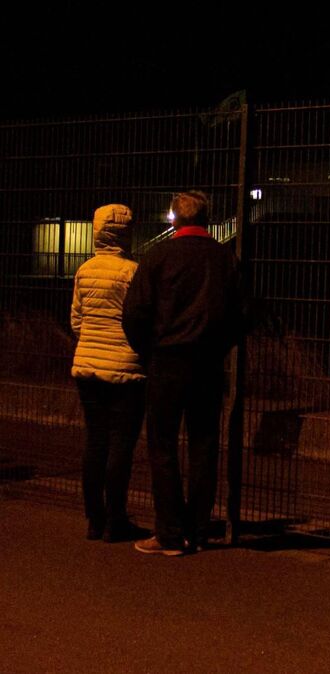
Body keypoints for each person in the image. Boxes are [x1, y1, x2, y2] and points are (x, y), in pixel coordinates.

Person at [122, 190, 243, 556]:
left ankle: (170, 533)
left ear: (174, 219)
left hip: (167, 360)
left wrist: (149, 351)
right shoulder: (225, 258)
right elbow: (242, 314)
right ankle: (198, 529)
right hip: (208, 363)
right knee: (204, 444)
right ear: (207, 218)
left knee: (162, 446)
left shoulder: (159, 256)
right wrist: (219, 345)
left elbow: (135, 312)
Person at [71, 204, 148, 543]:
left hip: (87, 365)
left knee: (95, 441)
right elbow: (142, 320)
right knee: (121, 444)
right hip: (126, 368)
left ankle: (94, 518)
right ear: (127, 234)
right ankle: (116, 519)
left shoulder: (84, 270)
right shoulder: (134, 272)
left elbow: (77, 321)